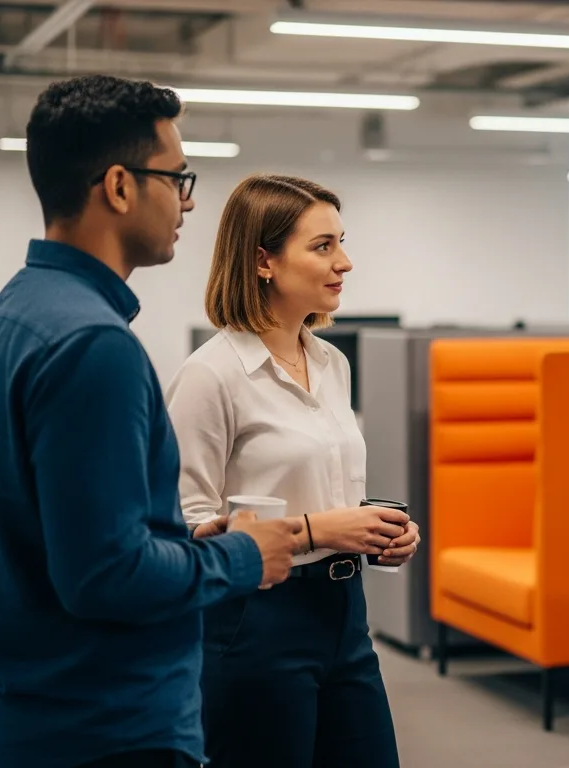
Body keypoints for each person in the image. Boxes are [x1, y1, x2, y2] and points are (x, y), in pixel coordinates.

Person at [0, 75, 303, 768]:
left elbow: (67, 536)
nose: (189, 200)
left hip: (31, 715)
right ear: (118, 186)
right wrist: (241, 556)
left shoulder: (11, 316)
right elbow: (106, 577)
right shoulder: (94, 345)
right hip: (109, 731)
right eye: (177, 178)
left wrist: (179, 537)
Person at [166, 174, 420, 768]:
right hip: (256, 622)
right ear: (264, 261)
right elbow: (184, 528)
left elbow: (330, 492)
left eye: (342, 243)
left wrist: (378, 529)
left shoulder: (331, 364)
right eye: (323, 246)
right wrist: (320, 531)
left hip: (345, 617)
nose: (345, 262)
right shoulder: (211, 377)